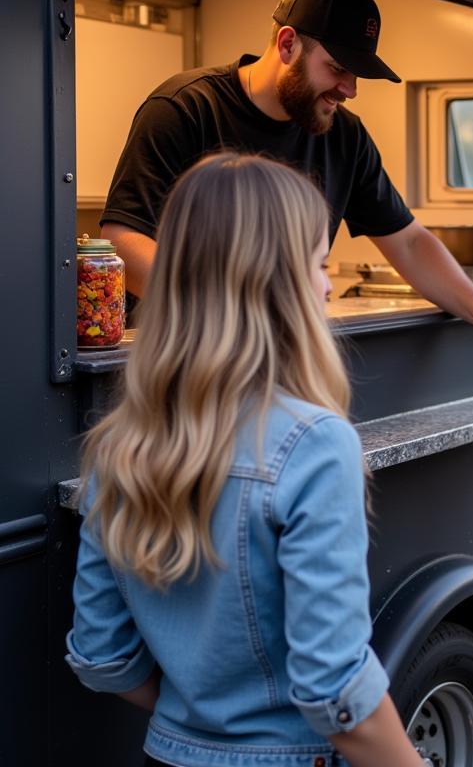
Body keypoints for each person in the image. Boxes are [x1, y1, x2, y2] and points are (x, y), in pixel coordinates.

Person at [66, 153, 428, 767]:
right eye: (318, 264)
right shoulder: (314, 443)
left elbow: (101, 657)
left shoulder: (117, 445)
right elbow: (335, 689)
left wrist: (204, 727)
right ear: (275, 283)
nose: (329, 285)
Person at [100, 0, 473, 372]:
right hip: (184, 356)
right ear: (287, 44)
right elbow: (123, 240)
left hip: (286, 358)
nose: (349, 90)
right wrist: (237, 310)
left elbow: (410, 242)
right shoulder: (185, 108)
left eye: (356, 75)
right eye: (337, 69)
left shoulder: (344, 135)